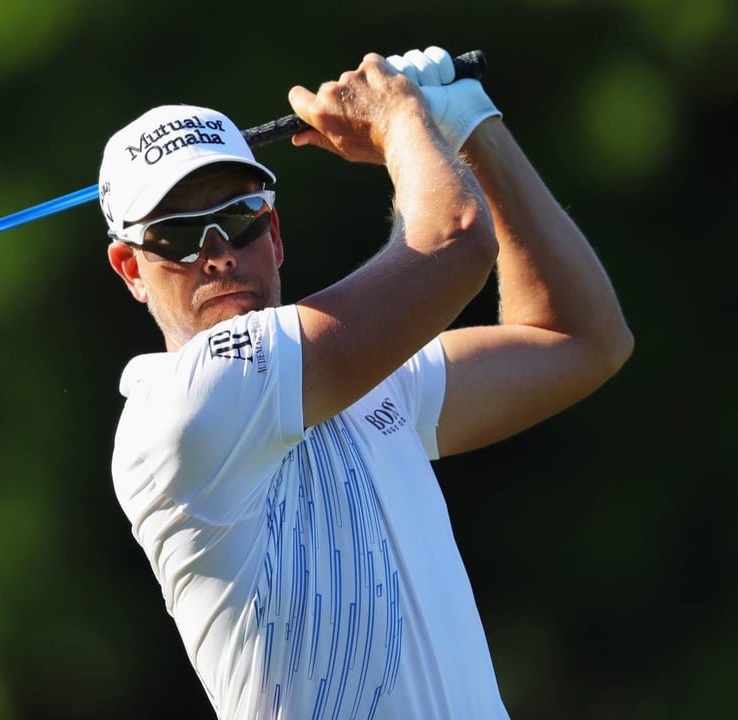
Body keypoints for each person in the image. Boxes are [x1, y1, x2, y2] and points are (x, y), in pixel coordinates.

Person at [98, 46, 633, 719]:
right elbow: (456, 240)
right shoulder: (183, 407)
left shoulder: (367, 378)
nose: (218, 254)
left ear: (274, 231)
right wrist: (400, 118)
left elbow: (582, 338)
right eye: (177, 236)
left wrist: (471, 127)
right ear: (131, 270)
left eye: (238, 217)